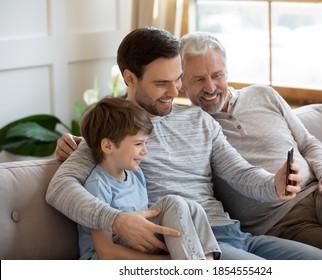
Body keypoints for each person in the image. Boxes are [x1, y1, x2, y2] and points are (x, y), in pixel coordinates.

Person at [47, 27, 322, 260]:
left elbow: (239, 173)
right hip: (193, 246)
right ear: (130, 78)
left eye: (177, 80)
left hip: (238, 235)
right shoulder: (114, 133)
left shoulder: (199, 120)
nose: (175, 92)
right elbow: (59, 189)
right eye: (162, 84)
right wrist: (116, 221)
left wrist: (274, 185)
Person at [179, 31, 322, 260]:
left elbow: (308, 143)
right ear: (181, 83)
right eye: (199, 79)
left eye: (217, 75)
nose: (210, 87)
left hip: (319, 193)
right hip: (281, 221)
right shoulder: (191, 127)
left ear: (227, 71)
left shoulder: (263, 95)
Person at [77, 96, 221, 260]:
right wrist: (166, 261)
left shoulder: (135, 174)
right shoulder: (98, 185)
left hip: (138, 246)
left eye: (145, 143)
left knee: (193, 207)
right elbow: (105, 252)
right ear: (108, 146)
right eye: (138, 144)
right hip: (103, 260)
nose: (145, 151)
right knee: (172, 203)